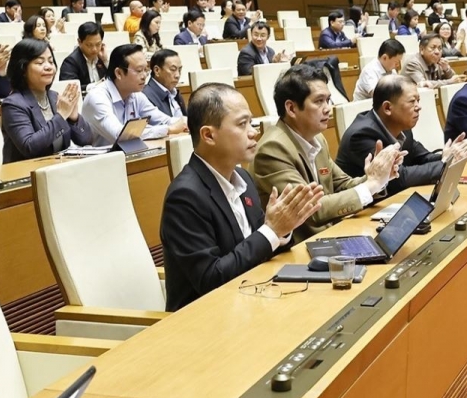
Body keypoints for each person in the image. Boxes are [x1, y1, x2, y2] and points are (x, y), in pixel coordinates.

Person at [160, 83, 322, 311]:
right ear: (208, 135)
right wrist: (271, 231)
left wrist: (283, 231)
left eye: (251, 122)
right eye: (242, 124)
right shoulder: (185, 197)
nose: (254, 131)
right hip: (205, 322)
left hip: (253, 301)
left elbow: (258, 250)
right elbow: (211, 279)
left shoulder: (243, 178)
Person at [250, 65, 402, 243]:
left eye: (328, 100)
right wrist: (371, 185)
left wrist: (380, 177)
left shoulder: (317, 139)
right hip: (296, 250)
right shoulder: (273, 148)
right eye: (319, 101)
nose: (327, 108)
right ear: (291, 108)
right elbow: (310, 209)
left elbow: (342, 184)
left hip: (327, 237)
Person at [336, 74, 467, 182]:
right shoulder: (361, 135)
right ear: (387, 107)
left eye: (418, 100)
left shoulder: (401, 125)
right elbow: (398, 178)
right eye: (412, 101)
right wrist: (445, 164)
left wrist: (449, 155)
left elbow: (422, 157)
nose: (419, 107)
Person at [0, 38, 93, 162]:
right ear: (22, 69)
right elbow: (29, 147)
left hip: (58, 169)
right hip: (25, 175)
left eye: (51, 61)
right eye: (40, 63)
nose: (49, 67)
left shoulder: (55, 97)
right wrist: (61, 115)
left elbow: (86, 140)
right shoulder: (13, 104)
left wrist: (74, 118)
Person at [81, 44, 187, 145]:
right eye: (139, 70)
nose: (144, 76)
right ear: (119, 73)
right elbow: (120, 135)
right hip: (98, 160)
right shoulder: (97, 97)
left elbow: (164, 120)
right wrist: (168, 129)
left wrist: (189, 122)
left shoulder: (136, 94)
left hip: (127, 155)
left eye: (146, 70)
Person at [59, 21, 108, 91]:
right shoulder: (71, 62)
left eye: (98, 44)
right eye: (89, 45)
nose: (94, 49)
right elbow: (70, 89)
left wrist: (105, 61)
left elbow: (113, 82)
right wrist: (95, 86)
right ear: (79, 42)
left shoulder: (101, 58)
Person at [142, 49, 186, 118]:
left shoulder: (176, 93)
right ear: (157, 70)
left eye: (179, 70)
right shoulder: (145, 96)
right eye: (173, 69)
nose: (177, 75)